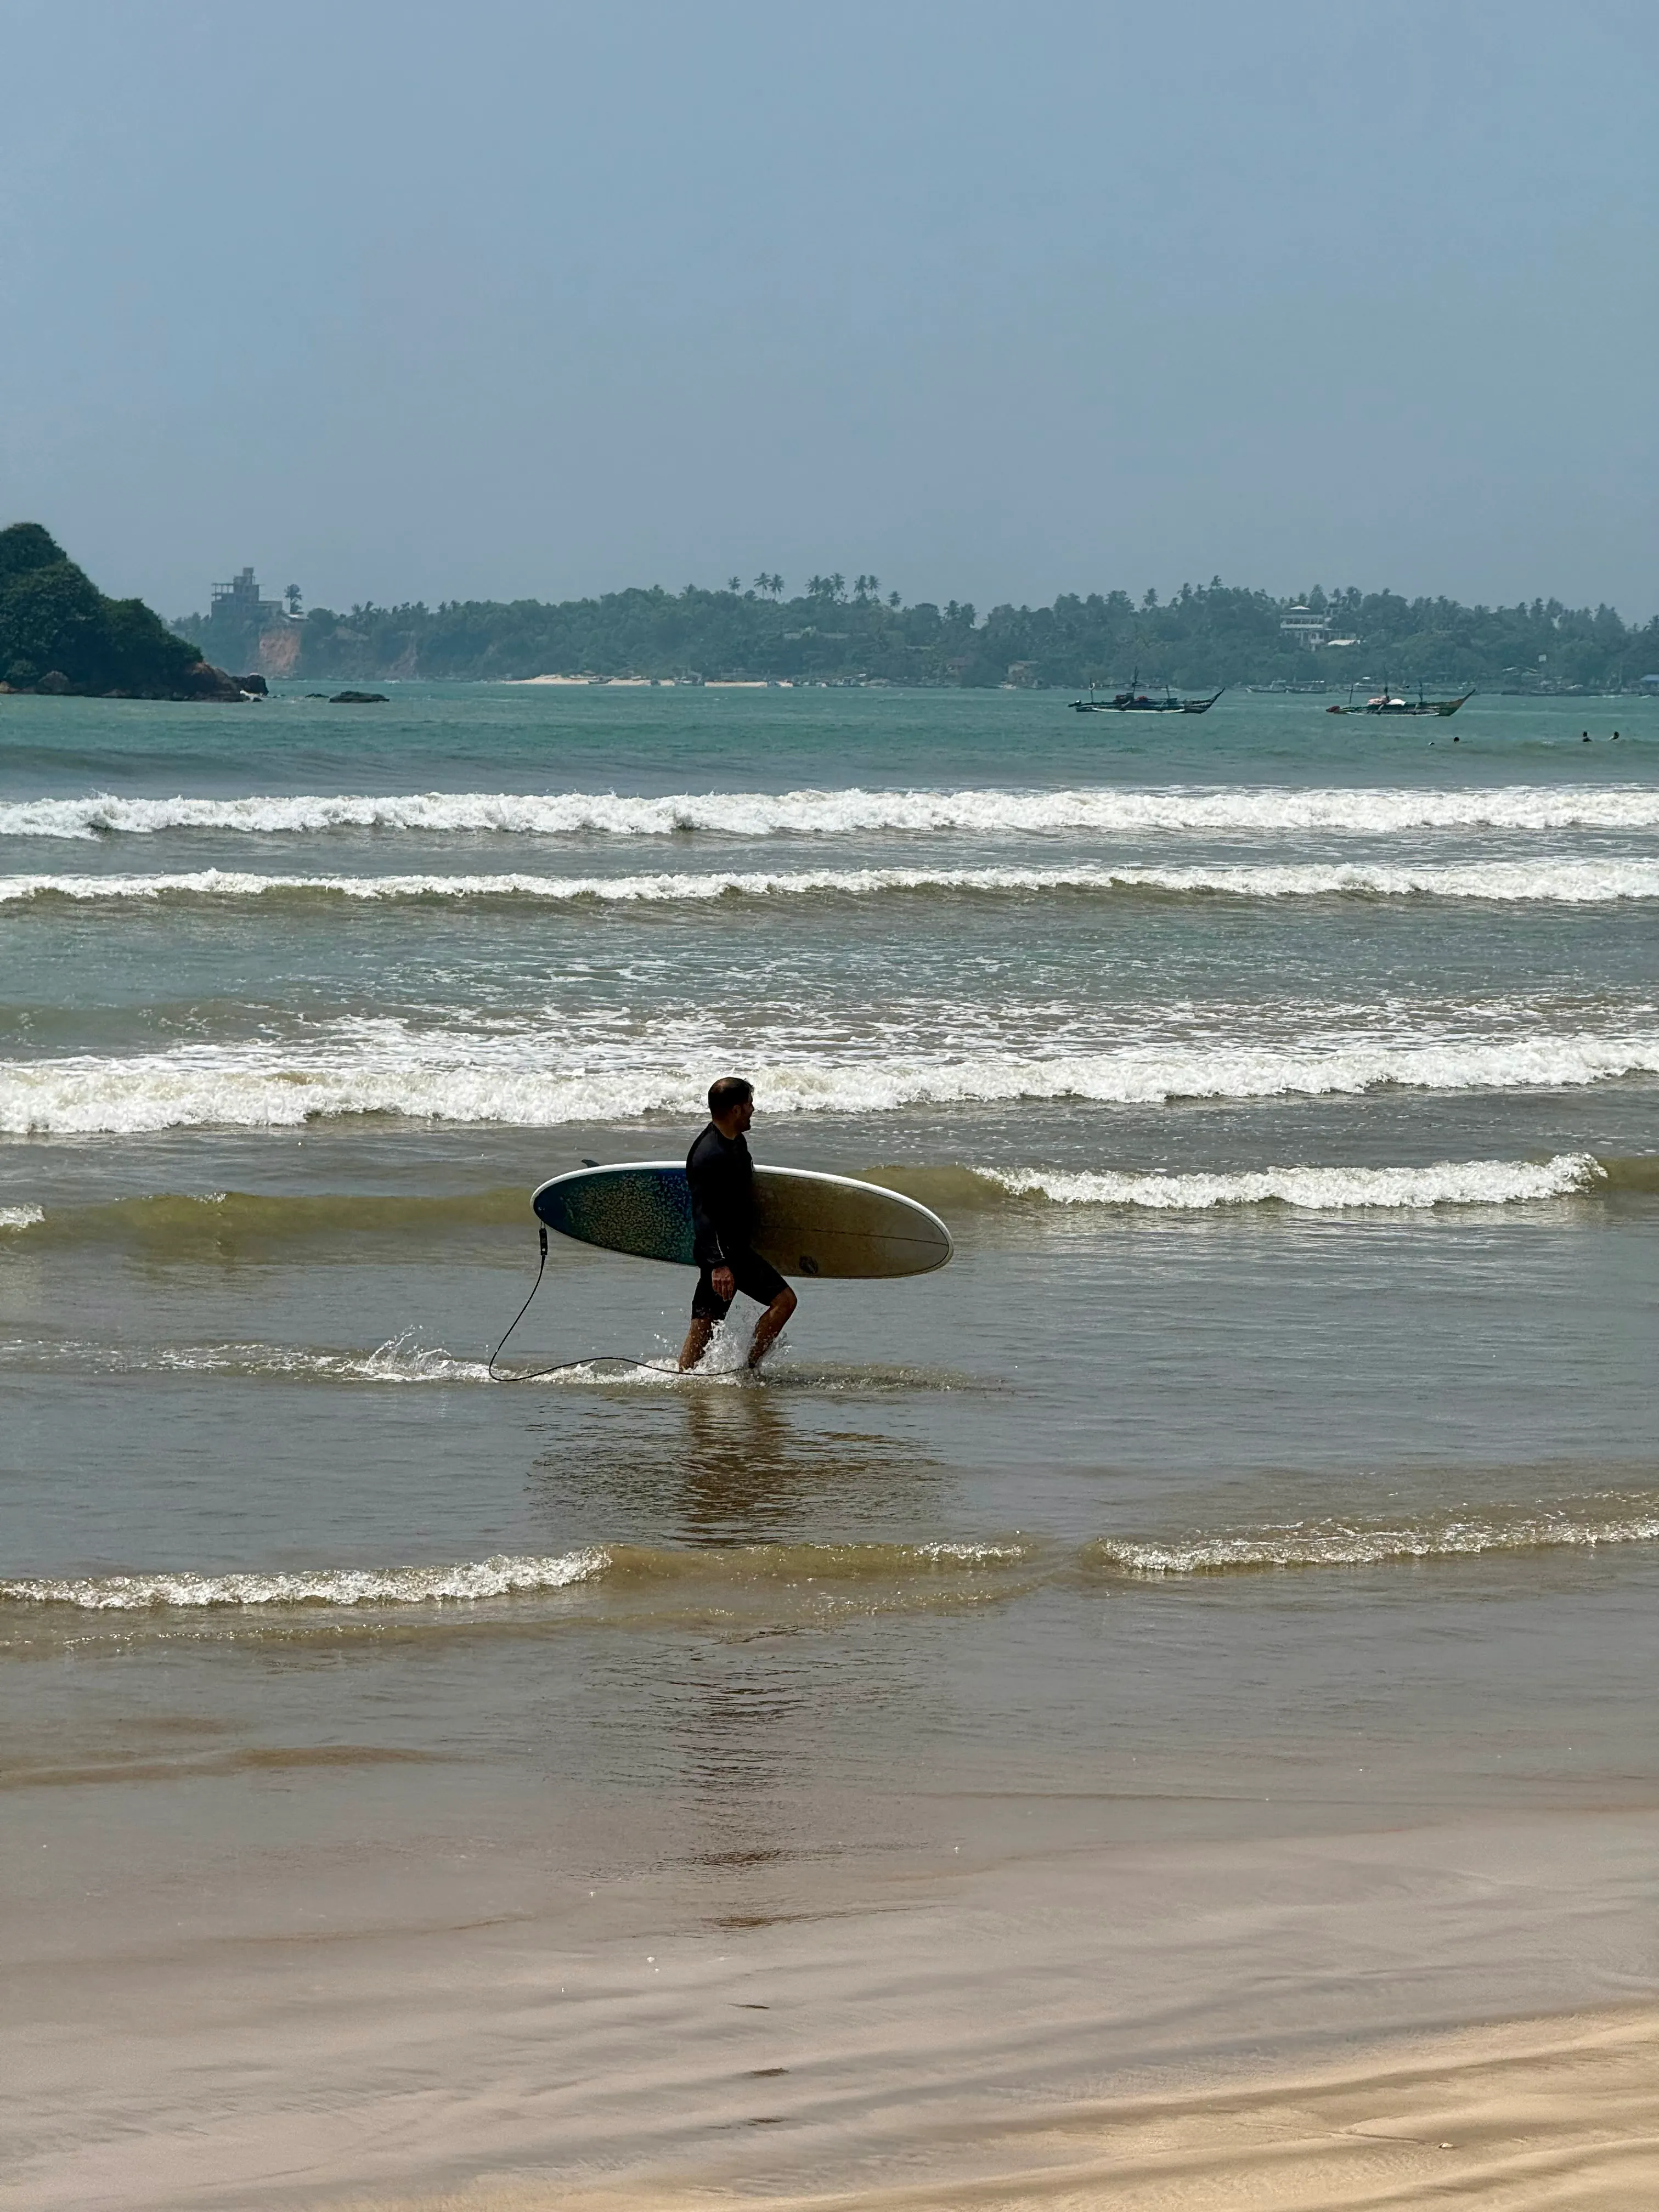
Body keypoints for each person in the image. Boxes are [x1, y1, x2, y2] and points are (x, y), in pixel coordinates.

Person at [678, 1077, 797, 1372]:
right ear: (735, 1109)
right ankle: (746, 1368)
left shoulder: (734, 1142)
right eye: (748, 1104)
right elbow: (703, 1213)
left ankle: (686, 1380)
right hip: (726, 1255)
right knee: (785, 1302)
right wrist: (719, 1264)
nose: (753, 1109)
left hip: (730, 1250)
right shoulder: (709, 1156)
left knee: (705, 1328)